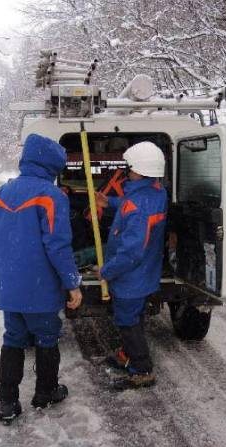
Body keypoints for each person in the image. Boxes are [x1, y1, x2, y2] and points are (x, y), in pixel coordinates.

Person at [0, 133, 83, 425]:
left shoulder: (0, 193)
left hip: (9, 288)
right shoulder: (51, 197)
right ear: (53, 166)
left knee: (13, 339)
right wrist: (71, 283)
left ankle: (7, 402)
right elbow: (58, 246)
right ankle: (46, 391)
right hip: (41, 290)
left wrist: (4, 272)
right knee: (47, 337)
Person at [95, 141, 167, 390]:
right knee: (135, 316)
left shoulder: (138, 206)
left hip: (130, 277)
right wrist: (109, 202)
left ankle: (142, 369)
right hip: (145, 272)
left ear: (140, 169)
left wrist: (106, 271)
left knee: (127, 321)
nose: (127, 170)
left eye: (130, 167)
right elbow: (130, 204)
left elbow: (130, 253)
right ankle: (128, 354)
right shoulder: (155, 192)